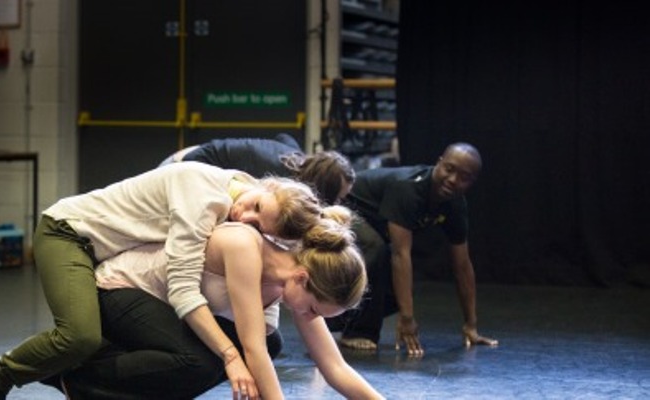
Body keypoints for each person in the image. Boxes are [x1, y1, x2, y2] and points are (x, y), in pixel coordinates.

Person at [0, 162, 325, 399]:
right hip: (69, 233)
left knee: (257, 344)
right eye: (257, 207)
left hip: (113, 257)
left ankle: (100, 378)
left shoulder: (240, 206)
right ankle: (1, 374)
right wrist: (231, 355)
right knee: (80, 336)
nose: (244, 216)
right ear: (268, 187)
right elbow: (183, 287)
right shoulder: (204, 197)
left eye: (257, 226)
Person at [52, 205, 383, 399]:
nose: (307, 316)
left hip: (170, 309)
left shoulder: (297, 278)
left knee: (269, 344)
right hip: (122, 288)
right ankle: (76, 376)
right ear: (302, 278)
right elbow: (251, 349)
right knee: (203, 361)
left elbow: (335, 367)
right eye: (312, 309)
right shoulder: (245, 248)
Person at [327, 142, 498, 355]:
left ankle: (333, 321)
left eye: (463, 177)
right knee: (376, 248)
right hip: (342, 207)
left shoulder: (455, 205)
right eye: (449, 169)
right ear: (439, 163)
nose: (453, 179)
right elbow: (400, 254)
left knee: (400, 294)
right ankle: (358, 330)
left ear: (472, 182)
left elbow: (462, 265)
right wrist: (407, 319)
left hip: (376, 225)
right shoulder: (408, 188)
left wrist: (470, 324)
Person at [161, 133, 356, 205]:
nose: (338, 203)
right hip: (178, 168)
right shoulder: (280, 180)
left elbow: (283, 136)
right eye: (337, 198)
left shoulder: (295, 157)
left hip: (190, 155)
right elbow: (193, 162)